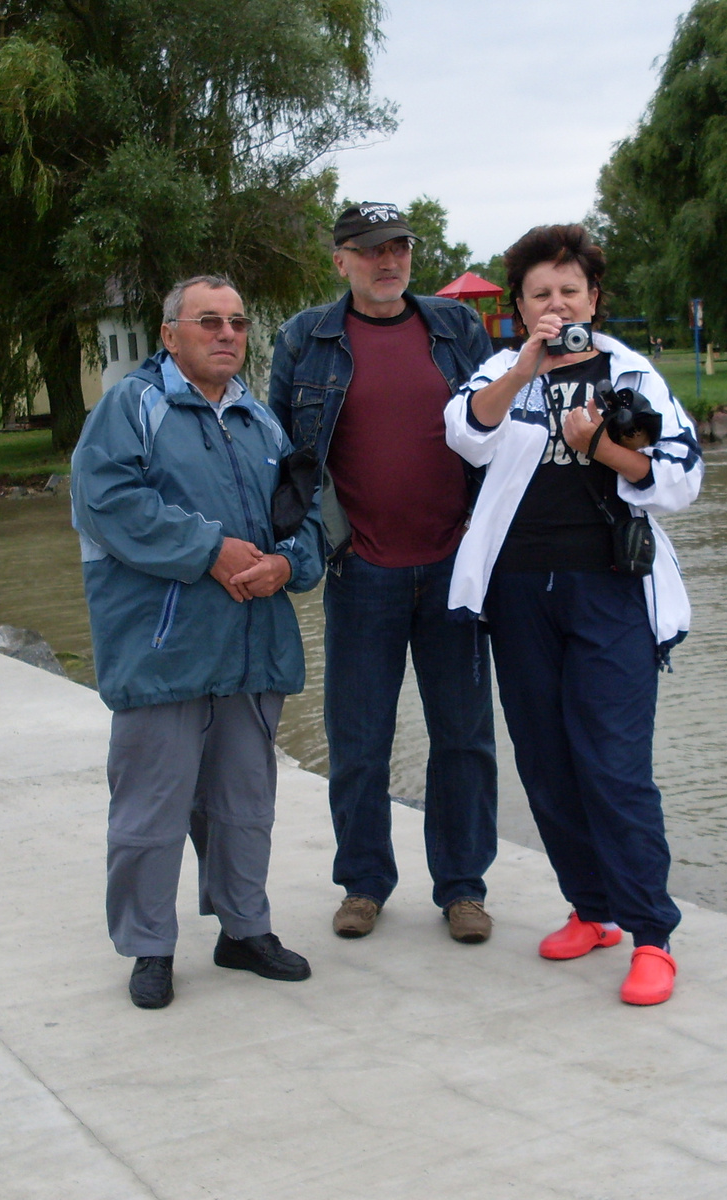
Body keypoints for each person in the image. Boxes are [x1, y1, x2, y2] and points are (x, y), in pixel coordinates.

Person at [444, 224, 703, 1005]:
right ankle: (592, 910)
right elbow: (464, 433)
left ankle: (651, 933)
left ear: (595, 297)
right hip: (518, 594)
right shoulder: (501, 369)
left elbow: (681, 477)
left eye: (570, 291)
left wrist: (600, 448)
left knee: (615, 765)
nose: (556, 305)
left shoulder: (631, 373)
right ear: (519, 306)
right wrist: (527, 364)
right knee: (547, 762)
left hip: (610, 592)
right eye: (539, 295)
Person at [72, 275, 324, 1009]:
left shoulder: (262, 422)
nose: (226, 334)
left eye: (239, 323)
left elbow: (307, 516)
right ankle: (150, 945)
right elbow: (107, 502)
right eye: (208, 321)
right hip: (164, 653)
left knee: (245, 803)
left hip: (252, 649)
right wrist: (211, 550)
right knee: (151, 811)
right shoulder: (130, 408)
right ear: (169, 334)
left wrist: (285, 563)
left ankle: (244, 929)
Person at [270, 202, 499, 943]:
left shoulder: (456, 329)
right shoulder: (306, 339)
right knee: (358, 740)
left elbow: (503, 424)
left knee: (463, 738)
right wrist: (298, 548)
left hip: (454, 572)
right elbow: (285, 463)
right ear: (341, 259)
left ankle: (463, 888)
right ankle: (364, 883)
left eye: (398, 246)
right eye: (370, 250)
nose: (388, 260)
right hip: (361, 572)